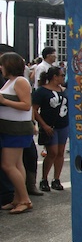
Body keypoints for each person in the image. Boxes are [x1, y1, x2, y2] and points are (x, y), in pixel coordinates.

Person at [0, 53, 35, 213]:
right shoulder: (10, 81)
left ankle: (25, 199)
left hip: (17, 130)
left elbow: (26, 105)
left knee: (7, 165)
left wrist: (5, 101)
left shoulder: (20, 81)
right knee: (17, 164)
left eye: (2, 64)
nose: (1, 67)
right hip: (10, 128)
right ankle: (18, 198)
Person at [32, 66, 69, 192]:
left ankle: (56, 179)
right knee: (52, 152)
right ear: (55, 77)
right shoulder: (42, 91)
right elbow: (34, 110)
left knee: (60, 152)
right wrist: (43, 125)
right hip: (49, 125)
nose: (63, 78)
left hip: (63, 124)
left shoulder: (64, 90)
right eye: (62, 75)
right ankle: (44, 178)